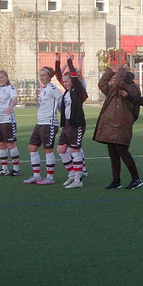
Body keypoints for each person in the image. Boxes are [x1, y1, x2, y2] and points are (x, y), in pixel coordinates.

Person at [94, 58, 143, 189]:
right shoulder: (114, 90)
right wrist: (110, 71)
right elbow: (102, 84)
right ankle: (116, 180)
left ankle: (136, 179)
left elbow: (116, 83)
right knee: (113, 154)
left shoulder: (131, 88)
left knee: (123, 153)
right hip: (111, 125)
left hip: (122, 125)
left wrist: (121, 70)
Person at [24, 65, 62, 185]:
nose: (41, 77)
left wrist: (66, 119)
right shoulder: (44, 89)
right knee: (32, 147)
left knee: (47, 149)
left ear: (49, 77)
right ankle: (36, 175)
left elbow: (61, 102)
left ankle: (50, 178)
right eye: (40, 75)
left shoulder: (53, 88)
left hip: (49, 123)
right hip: (40, 123)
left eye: (43, 75)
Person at [53, 58, 89, 188]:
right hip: (67, 124)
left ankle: (78, 180)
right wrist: (57, 61)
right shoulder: (68, 90)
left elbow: (74, 75)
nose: (65, 83)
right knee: (61, 149)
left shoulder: (78, 90)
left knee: (75, 150)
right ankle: (72, 174)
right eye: (65, 82)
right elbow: (58, 75)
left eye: (67, 81)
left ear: (73, 81)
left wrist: (70, 62)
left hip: (77, 124)